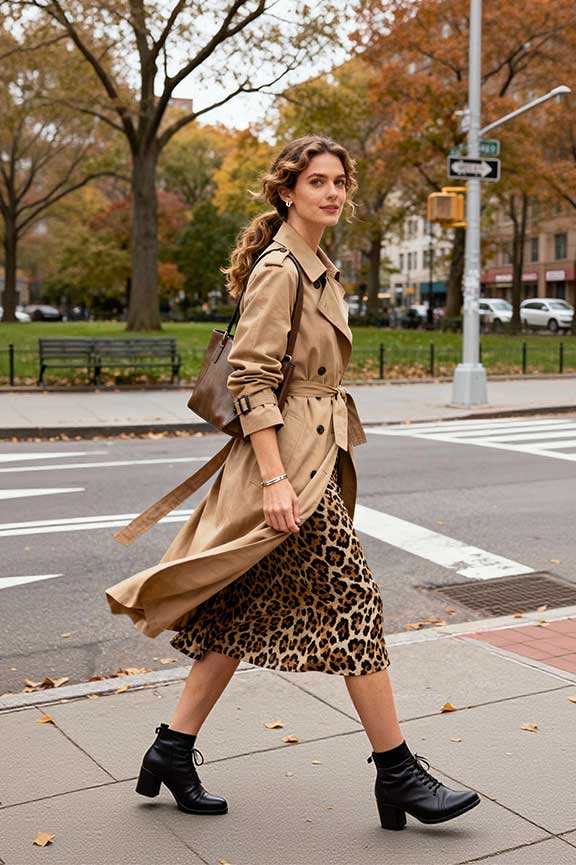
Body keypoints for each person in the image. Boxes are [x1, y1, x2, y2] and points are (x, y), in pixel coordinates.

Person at [105, 135, 480, 831]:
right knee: (357, 603)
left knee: (243, 609)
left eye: (340, 180)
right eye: (318, 181)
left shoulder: (318, 264)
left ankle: (170, 749)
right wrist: (275, 480)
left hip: (312, 453)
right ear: (287, 191)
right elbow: (249, 379)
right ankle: (397, 772)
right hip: (288, 469)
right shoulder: (282, 267)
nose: (333, 192)